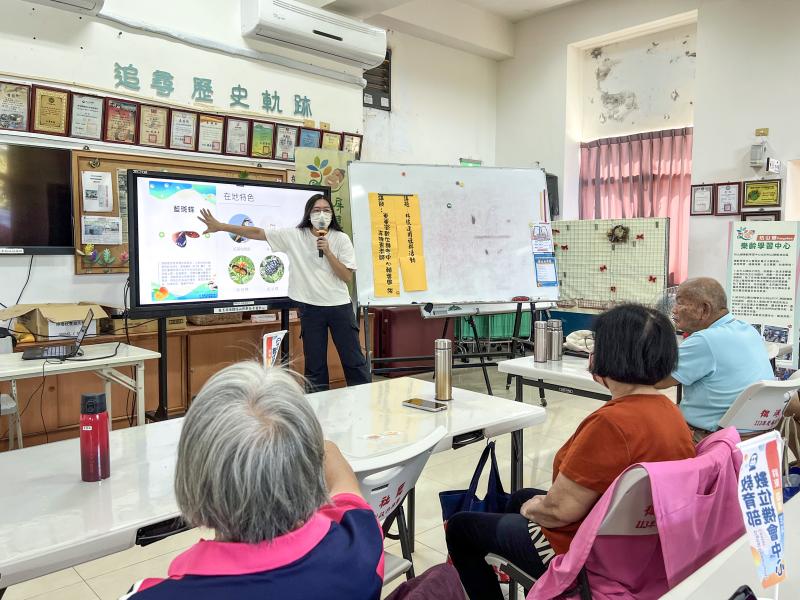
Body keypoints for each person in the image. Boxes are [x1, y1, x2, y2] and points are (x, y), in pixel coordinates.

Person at [445, 304, 695, 600]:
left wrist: (533, 510)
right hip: (634, 545)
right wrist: (533, 504)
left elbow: (560, 512)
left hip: (582, 553)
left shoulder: (612, 424)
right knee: (519, 496)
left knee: (461, 528)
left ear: (611, 354)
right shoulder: (671, 412)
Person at [122, 362, 383, 599]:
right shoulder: (361, 549)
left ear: (192, 477)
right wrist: (297, 441)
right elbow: (344, 482)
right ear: (308, 469)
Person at [199, 194, 371, 391]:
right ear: (308, 214)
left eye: (326, 210)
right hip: (311, 309)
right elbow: (257, 232)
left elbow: (346, 276)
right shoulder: (295, 235)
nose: (321, 214)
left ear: (332, 214)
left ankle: (364, 402)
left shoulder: (341, 239)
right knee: (315, 367)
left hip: (339, 307)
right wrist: (222, 226)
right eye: (316, 210)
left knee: (353, 361)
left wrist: (329, 252)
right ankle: (317, 411)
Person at [656, 277, 774, 442]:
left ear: (704, 309)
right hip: (758, 433)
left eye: (680, 303)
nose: (674, 310)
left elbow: (658, 380)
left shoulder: (704, 340)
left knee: (646, 423)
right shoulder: (747, 329)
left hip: (711, 438)